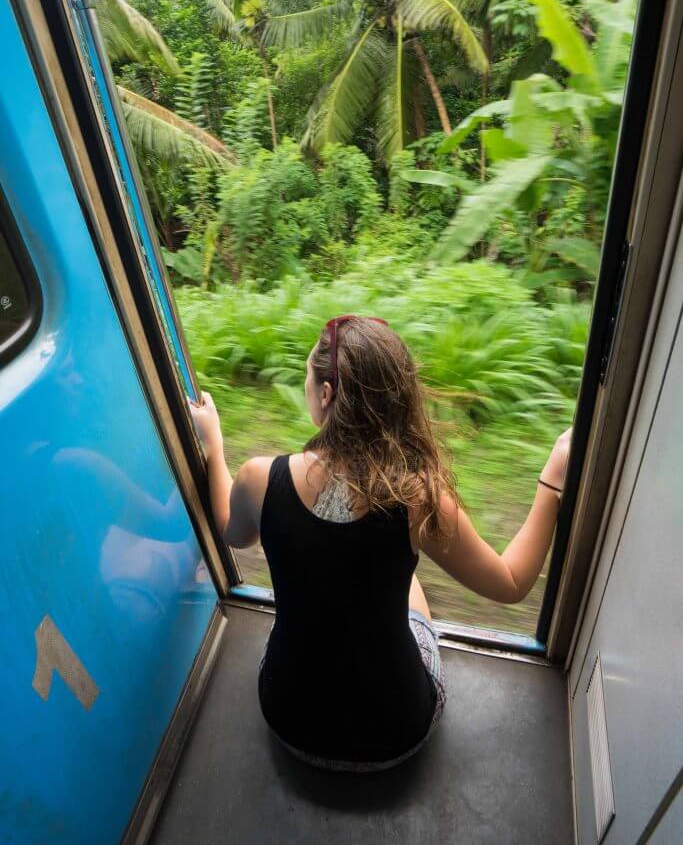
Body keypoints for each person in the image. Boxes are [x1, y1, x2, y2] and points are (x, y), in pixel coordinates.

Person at [190, 315, 570, 772]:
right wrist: (552, 480)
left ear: (327, 395)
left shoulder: (257, 478)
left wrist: (214, 443)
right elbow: (510, 583)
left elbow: (231, 529)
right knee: (411, 588)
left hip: (287, 719)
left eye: (308, 375)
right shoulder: (416, 499)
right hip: (397, 734)